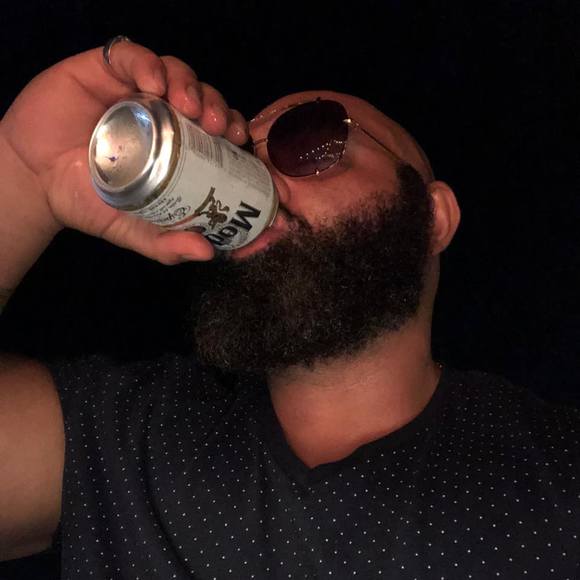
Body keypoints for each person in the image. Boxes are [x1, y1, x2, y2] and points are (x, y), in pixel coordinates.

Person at [0, 37, 578, 579]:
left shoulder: (558, 472)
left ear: (433, 218)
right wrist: (23, 175)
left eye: (307, 137)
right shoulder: (132, 436)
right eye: (234, 158)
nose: (261, 183)